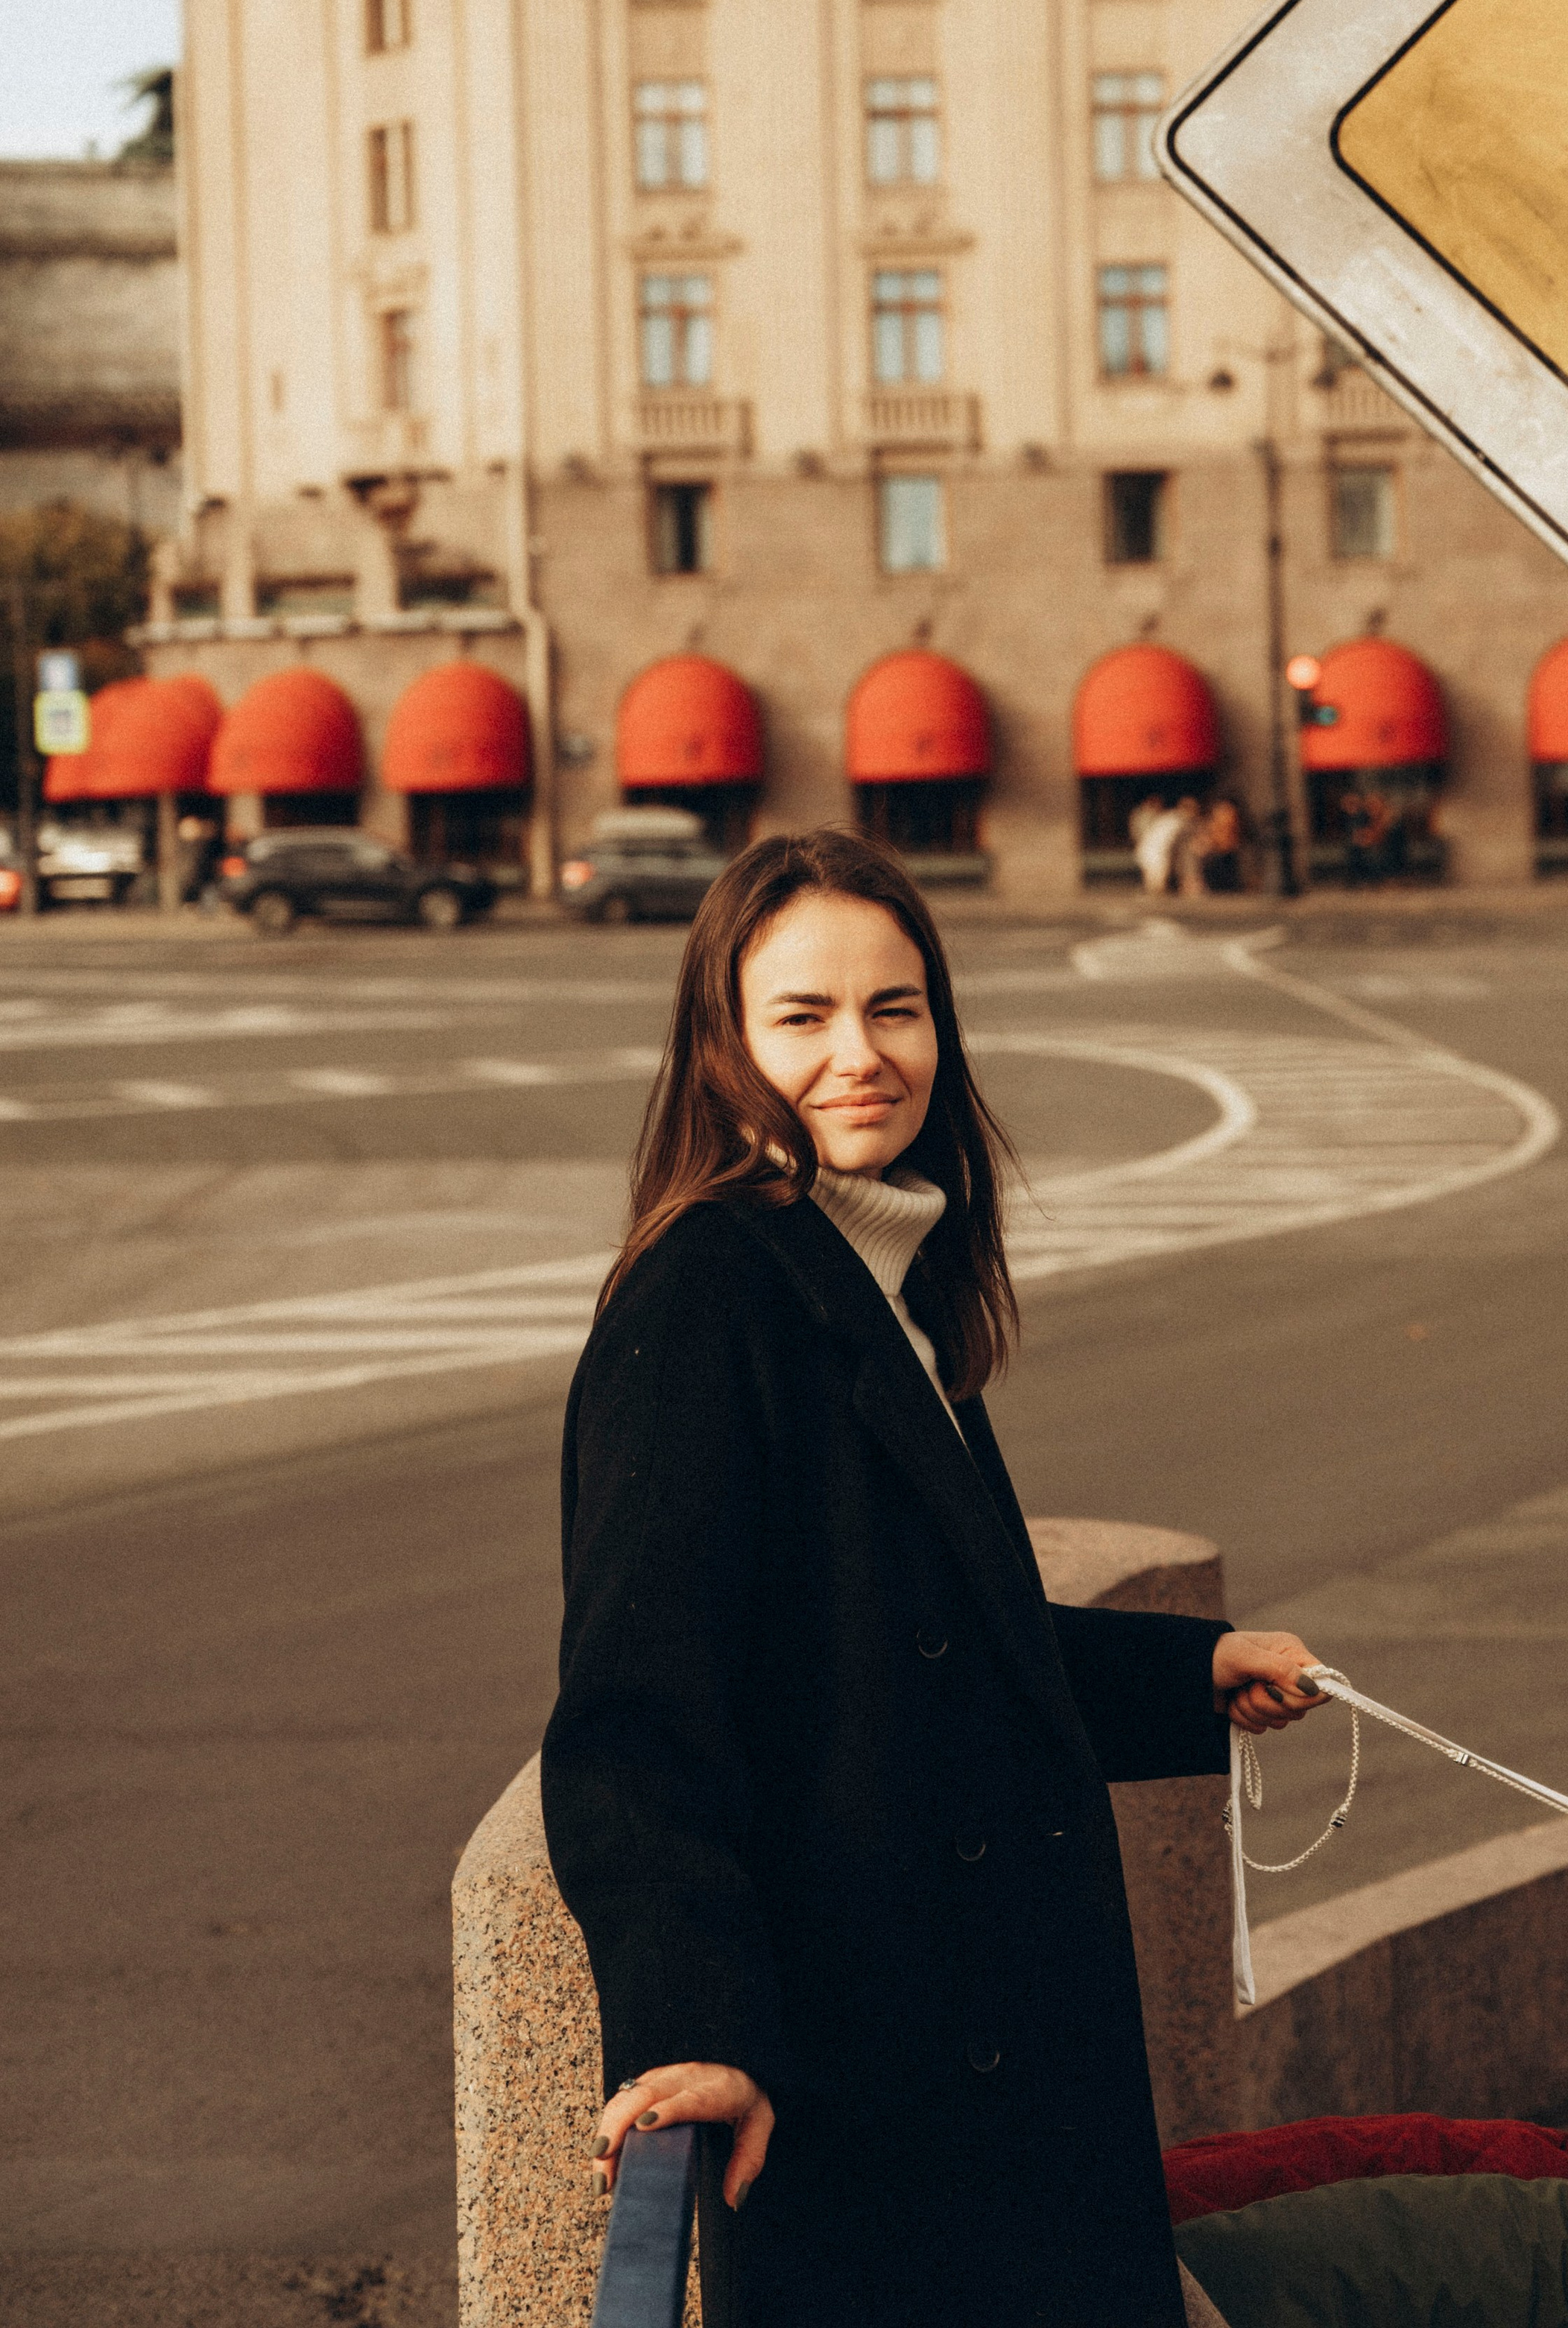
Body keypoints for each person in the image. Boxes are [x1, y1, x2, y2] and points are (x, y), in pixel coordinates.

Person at [541, 830, 1327, 2328]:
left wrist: (1190, 1671)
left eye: (894, 1009)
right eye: (804, 1016)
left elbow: (930, 1637)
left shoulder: (874, 1274)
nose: (861, 1054)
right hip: (872, 2094)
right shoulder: (705, 1293)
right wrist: (688, 2023)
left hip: (973, 2061)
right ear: (722, 1046)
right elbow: (633, 1717)